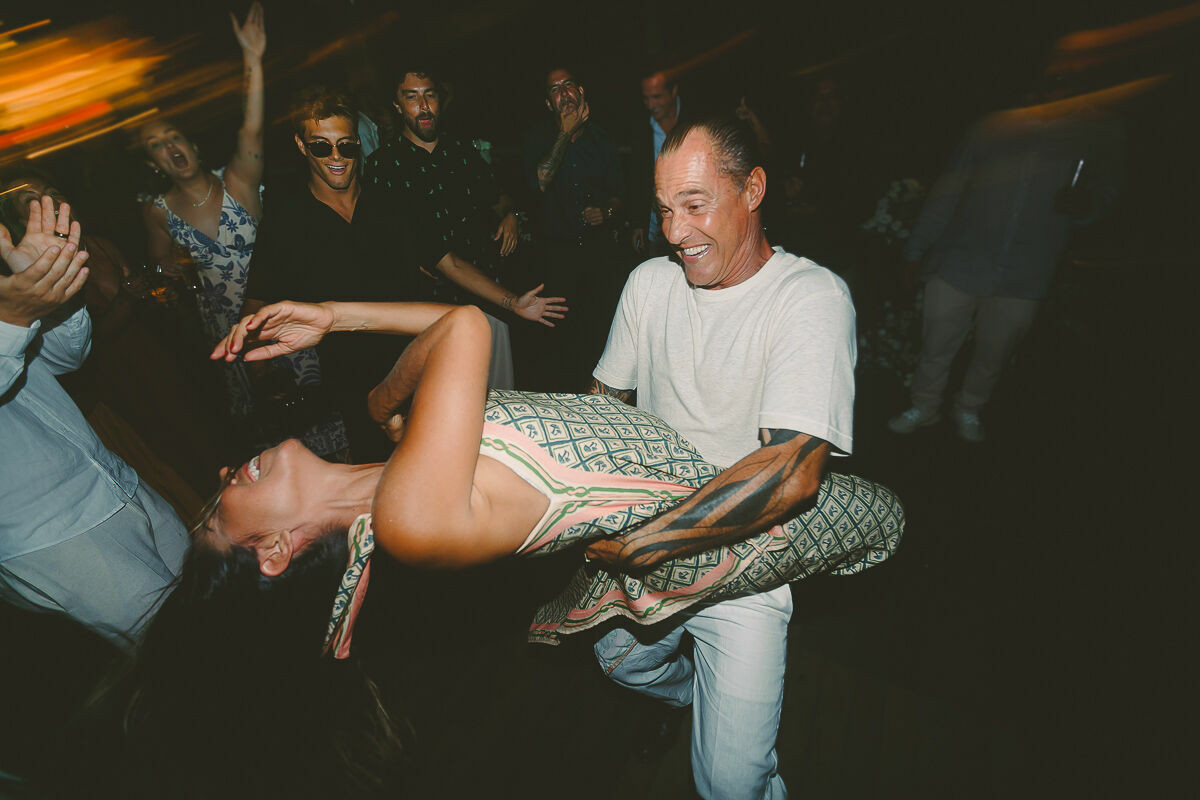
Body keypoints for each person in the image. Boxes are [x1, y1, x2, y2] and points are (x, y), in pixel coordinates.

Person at [584, 116, 857, 799]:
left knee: (733, 784)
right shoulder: (649, 285)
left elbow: (792, 471)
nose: (674, 232)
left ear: (753, 189)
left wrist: (646, 544)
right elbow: (602, 405)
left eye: (695, 205)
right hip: (646, 539)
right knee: (617, 662)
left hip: (748, 561)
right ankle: (692, 697)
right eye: (664, 211)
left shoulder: (809, 297)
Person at [244, 86, 564, 462]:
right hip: (354, 382)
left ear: (357, 144)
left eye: (345, 145)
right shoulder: (287, 222)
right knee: (381, 475)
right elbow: (257, 300)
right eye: (321, 146)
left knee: (447, 459)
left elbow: (448, 262)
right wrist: (262, 374)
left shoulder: (389, 202)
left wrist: (513, 303)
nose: (336, 157)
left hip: (419, 363)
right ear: (302, 146)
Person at [136, 4, 348, 458]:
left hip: (281, 313)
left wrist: (252, 58)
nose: (169, 146)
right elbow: (159, 268)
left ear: (192, 145)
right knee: (273, 434)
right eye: (156, 145)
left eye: (173, 136)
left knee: (317, 415)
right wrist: (167, 275)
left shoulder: (238, 182)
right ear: (154, 164)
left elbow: (251, 128)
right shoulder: (157, 212)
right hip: (228, 331)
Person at [887, 85, 1122, 443]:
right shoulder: (993, 127)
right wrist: (915, 250)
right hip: (960, 259)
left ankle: (969, 408)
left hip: (1028, 270)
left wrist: (1088, 204)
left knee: (995, 352)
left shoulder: (1098, 131)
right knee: (935, 343)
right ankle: (924, 406)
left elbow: (1108, 190)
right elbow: (949, 188)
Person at [0, 196, 188, 642]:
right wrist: (12, 318)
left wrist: (53, 292)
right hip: (50, 531)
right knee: (178, 653)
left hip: (111, 478)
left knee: (218, 608)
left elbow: (65, 358)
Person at [364, 65, 523, 386]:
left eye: (430, 96)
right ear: (397, 106)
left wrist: (511, 215)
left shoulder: (462, 152)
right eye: (412, 97)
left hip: (487, 301)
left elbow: (497, 197)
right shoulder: (383, 166)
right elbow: (379, 245)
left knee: (499, 399)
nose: (423, 106)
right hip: (428, 312)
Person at [521, 66, 626, 390]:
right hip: (555, 260)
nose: (564, 93)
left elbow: (620, 195)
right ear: (548, 103)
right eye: (555, 89)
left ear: (581, 93)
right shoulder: (537, 138)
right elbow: (538, 183)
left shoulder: (602, 140)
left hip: (597, 256)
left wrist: (606, 212)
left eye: (568, 86)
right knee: (559, 347)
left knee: (600, 338)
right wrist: (564, 134)